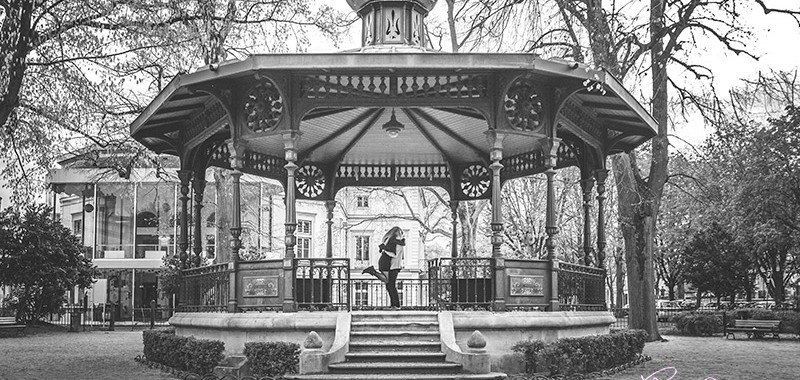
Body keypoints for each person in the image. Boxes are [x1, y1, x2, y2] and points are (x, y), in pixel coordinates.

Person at [362, 227, 405, 310]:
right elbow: (393, 254)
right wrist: (384, 249)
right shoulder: (397, 242)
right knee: (390, 285)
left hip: (393, 266)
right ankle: (395, 305)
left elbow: (394, 254)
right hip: (392, 266)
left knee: (390, 285)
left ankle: (395, 305)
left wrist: (384, 249)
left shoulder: (399, 243)